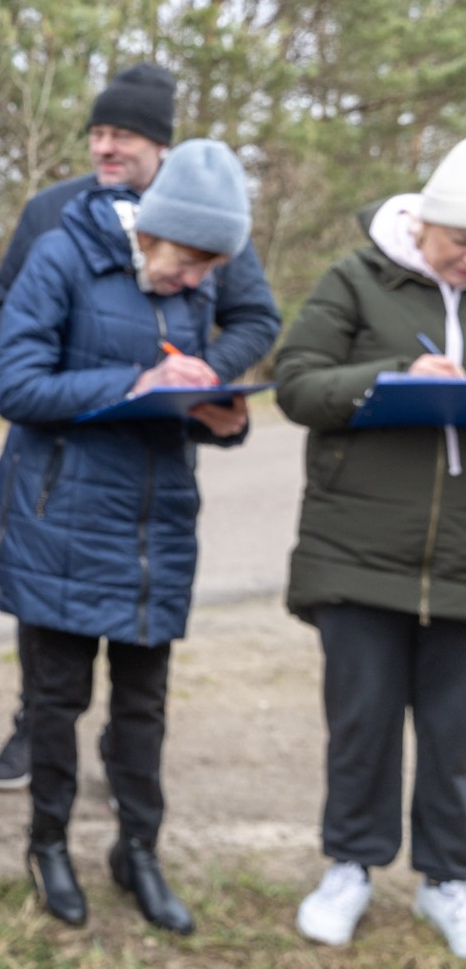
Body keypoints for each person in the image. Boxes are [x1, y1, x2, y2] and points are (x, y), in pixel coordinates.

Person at [0, 140, 256, 934]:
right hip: (58, 522)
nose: (199, 283)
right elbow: (16, 386)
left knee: (144, 707)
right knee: (56, 703)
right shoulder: (62, 254)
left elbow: (182, 380)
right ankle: (49, 846)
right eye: (190, 263)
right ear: (151, 231)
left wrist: (219, 414)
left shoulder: (192, 280)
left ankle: (139, 850)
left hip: (155, 527)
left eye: (210, 270)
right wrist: (138, 383)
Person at [0, 61, 281, 791]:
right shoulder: (53, 213)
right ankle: (33, 732)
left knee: (139, 667)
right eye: (99, 133)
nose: (107, 147)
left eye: (126, 136)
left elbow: (253, 316)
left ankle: (124, 762)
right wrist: (71, 362)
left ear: (162, 150)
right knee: (52, 632)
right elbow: (5, 315)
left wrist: (199, 372)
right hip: (64, 459)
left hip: (152, 471)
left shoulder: (208, 223)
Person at [275, 140, 466, 959]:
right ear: (425, 224)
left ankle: (448, 879)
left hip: (462, 564)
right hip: (358, 553)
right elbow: (297, 383)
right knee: (362, 726)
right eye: (461, 244)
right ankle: (349, 867)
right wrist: (397, 377)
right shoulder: (355, 280)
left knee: (459, 737)